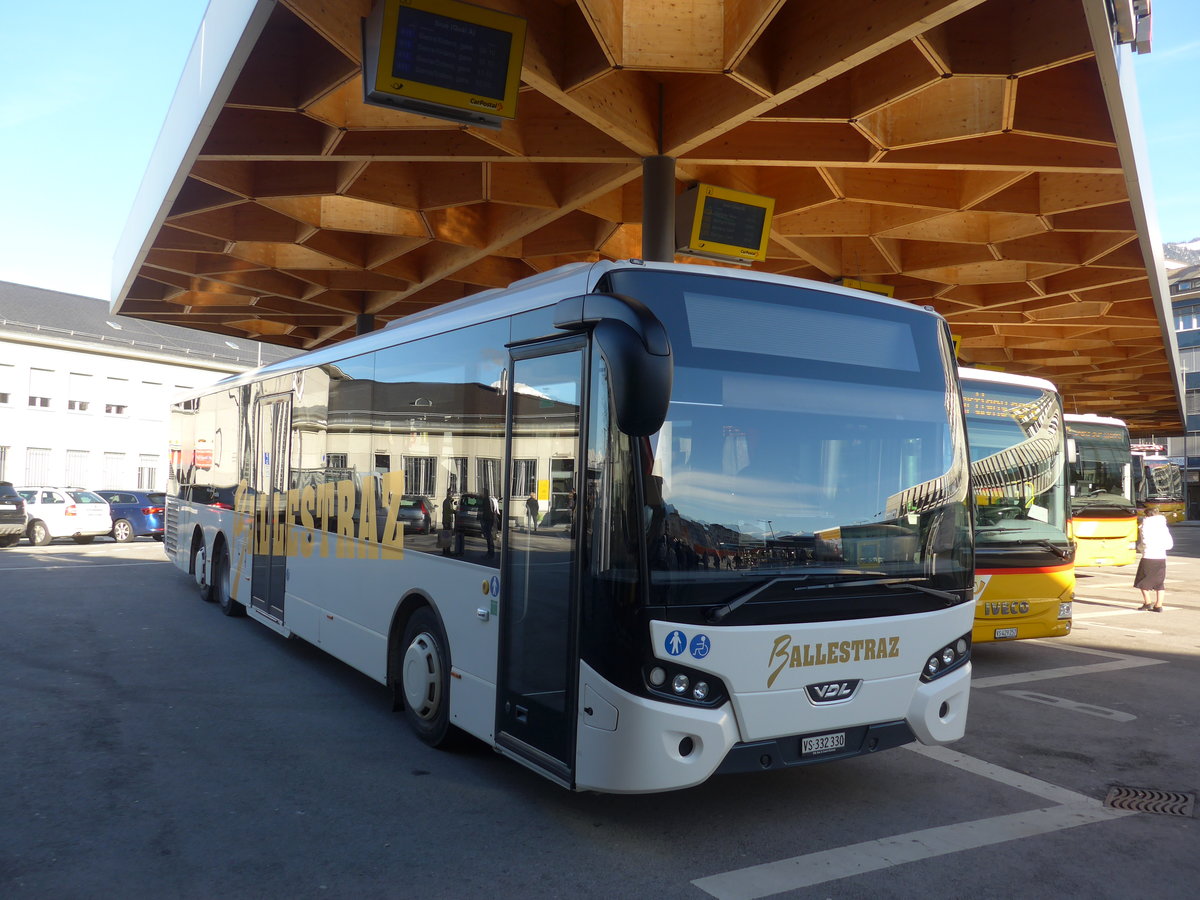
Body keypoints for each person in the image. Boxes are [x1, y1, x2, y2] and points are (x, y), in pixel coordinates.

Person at [1134, 505, 1173, 612]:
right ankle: (1158, 605)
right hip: (1161, 557)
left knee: (1142, 581)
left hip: (1149, 556)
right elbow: (1169, 544)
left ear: (1146, 515)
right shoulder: (1163, 526)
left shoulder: (1145, 526)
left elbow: (1144, 542)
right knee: (1159, 582)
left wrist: (1139, 548)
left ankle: (1147, 603)